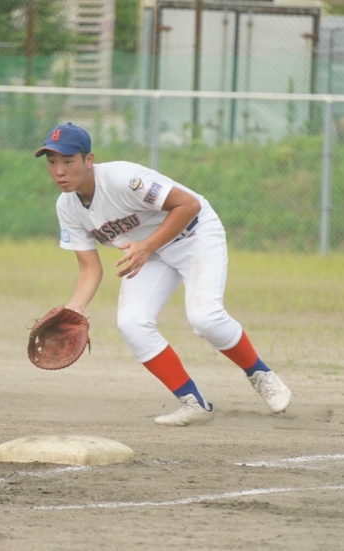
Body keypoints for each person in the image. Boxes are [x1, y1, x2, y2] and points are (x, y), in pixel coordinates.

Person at [34, 122, 292, 426]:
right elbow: (89, 267)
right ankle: (193, 402)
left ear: (88, 160)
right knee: (131, 323)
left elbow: (189, 204)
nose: (59, 171)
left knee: (205, 317)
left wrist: (146, 246)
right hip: (150, 253)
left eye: (68, 161)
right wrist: (74, 309)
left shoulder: (121, 179)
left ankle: (261, 375)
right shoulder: (67, 207)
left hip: (193, 235)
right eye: (52, 163)